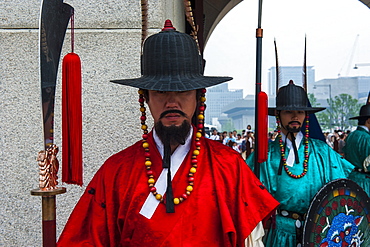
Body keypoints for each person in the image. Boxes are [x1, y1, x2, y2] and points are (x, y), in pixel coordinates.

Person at [57, 20, 278, 247]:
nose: (172, 102)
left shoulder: (228, 166)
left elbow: (250, 241)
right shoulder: (117, 171)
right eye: (161, 91)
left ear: (199, 97)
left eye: (183, 91)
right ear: (146, 98)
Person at [246, 81, 354, 247]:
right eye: (289, 112)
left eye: (300, 112)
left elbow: (342, 189)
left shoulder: (321, 151)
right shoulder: (265, 154)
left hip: (318, 232)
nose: (295, 117)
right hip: (280, 233)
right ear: (278, 115)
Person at [343, 95, 370, 195]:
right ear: (369, 120)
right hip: (365, 183)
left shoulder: (350, 136)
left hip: (351, 179)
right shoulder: (367, 139)